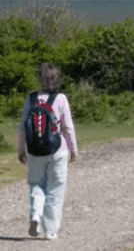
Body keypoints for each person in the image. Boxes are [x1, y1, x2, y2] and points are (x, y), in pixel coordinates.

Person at [16, 63, 78, 240]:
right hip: (58, 150)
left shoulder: (31, 98)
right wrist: (73, 149)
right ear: (57, 80)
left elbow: (22, 127)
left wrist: (21, 150)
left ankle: (35, 215)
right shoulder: (61, 99)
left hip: (35, 150)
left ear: (40, 79)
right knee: (56, 190)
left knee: (37, 185)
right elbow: (67, 127)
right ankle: (50, 231)